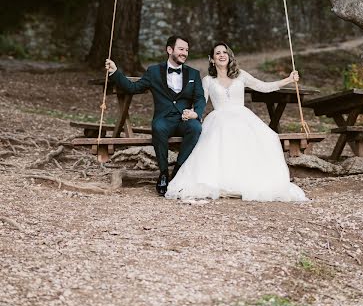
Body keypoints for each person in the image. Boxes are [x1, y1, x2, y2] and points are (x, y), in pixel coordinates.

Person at [165, 42, 308, 202]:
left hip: (242, 117)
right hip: (218, 118)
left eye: (224, 52)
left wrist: (288, 79)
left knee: (267, 137)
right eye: (217, 53)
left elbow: (263, 86)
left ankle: (245, 183)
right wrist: (192, 113)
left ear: (229, 56)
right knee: (218, 142)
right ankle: (221, 183)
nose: (221, 55)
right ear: (212, 59)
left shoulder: (240, 75)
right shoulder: (208, 80)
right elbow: (201, 103)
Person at [105, 36, 206, 196]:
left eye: (186, 50)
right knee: (158, 128)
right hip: (164, 119)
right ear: (169, 50)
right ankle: (164, 173)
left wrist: (196, 113)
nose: (184, 53)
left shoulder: (193, 74)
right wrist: (115, 72)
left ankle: (178, 170)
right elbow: (133, 88)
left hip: (184, 120)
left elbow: (200, 98)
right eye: (181, 49)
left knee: (196, 128)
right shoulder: (153, 71)